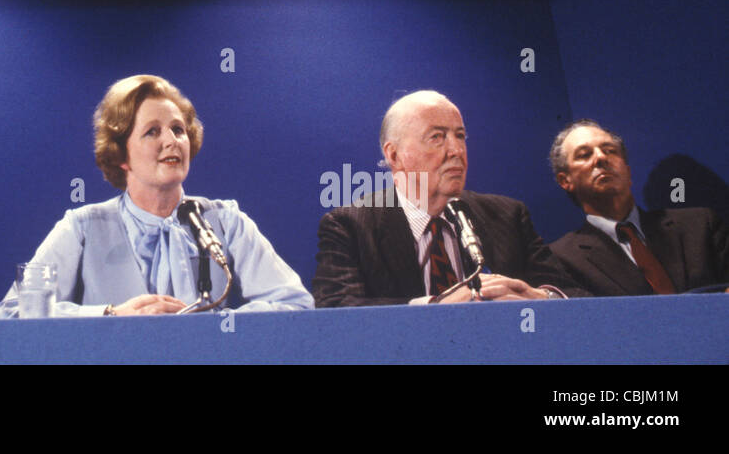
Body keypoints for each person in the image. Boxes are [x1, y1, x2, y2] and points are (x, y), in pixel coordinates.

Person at [0, 75, 312, 317]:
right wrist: (110, 314)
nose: (172, 141)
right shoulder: (82, 228)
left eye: (178, 129)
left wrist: (215, 327)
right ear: (121, 155)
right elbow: (12, 313)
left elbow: (296, 304)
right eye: (152, 131)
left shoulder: (226, 221)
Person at [312, 90, 578, 306]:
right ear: (394, 156)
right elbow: (337, 308)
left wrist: (540, 297)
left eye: (460, 136)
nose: (456, 150)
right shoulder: (350, 225)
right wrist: (435, 307)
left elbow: (575, 295)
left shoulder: (507, 215)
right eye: (437, 137)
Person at [548, 120, 729, 296]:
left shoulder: (700, 225)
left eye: (610, 151)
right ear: (565, 180)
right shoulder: (562, 258)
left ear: (628, 171)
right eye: (584, 155)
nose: (601, 157)